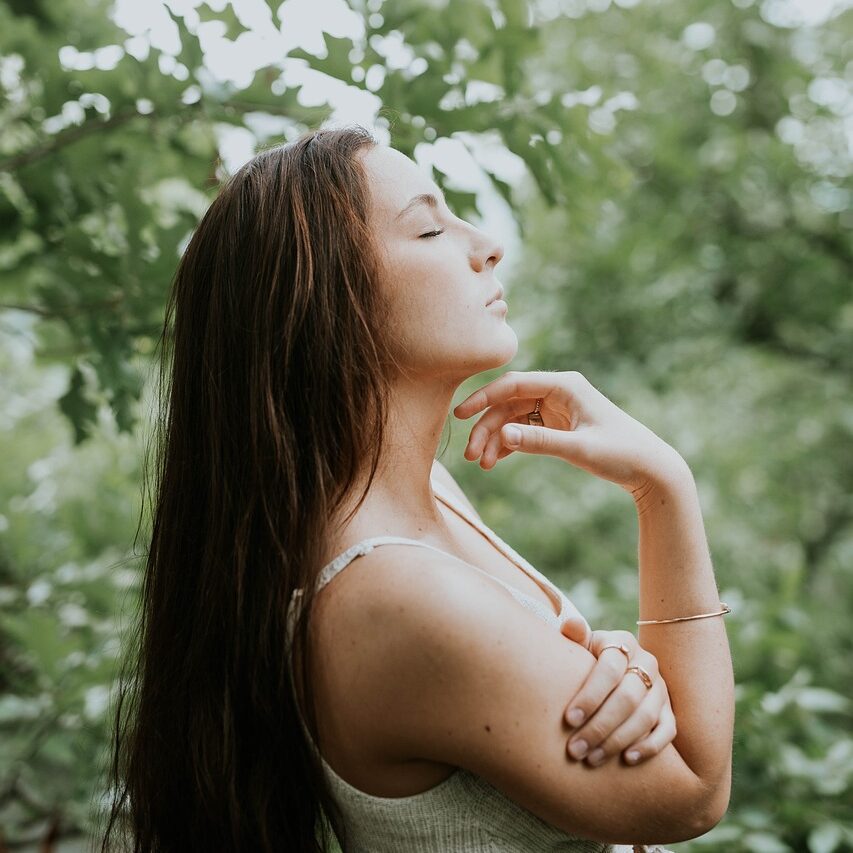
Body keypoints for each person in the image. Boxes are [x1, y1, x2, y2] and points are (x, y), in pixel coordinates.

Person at [99, 125, 734, 853]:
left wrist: (614, 661)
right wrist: (662, 487)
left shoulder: (418, 495)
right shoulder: (394, 595)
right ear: (326, 299)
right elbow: (690, 790)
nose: (484, 243)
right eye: (430, 227)